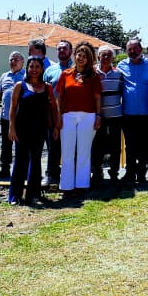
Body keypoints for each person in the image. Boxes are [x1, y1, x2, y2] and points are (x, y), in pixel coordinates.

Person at [6, 56, 60, 205]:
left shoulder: (47, 87)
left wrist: (56, 126)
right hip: (22, 129)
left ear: (42, 69)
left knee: (36, 162)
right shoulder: (20, 85)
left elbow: (53, 107)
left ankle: (34, 194)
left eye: (37, 67)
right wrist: (11, 127)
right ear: (27, 68)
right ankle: (15, 196)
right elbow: (13, 108)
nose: (34, 69)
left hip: (40, 129)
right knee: (20, 161)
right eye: (31, 66)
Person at [56, 42, 102, 196]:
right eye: (79, 55)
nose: (81, 58)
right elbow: (59, 98)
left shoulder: (94, 77)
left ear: (89, 59)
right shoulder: (65, 74)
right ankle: (67, 186)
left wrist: (98, 116)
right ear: (74, 56)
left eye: (85, 56)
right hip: (68, 116)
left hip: (88, 117)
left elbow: (97, 98)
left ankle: (82, 185)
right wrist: (58, 116)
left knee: (84, 152)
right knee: (67, 152)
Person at [118, 39, 148, 184]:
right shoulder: (121, 65)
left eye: (135, 49)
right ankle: (130, 173)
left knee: (145, 145)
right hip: (128, 113)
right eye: (129, 49)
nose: (132, 51)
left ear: (141, 49)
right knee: (130, 145)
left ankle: (141, 172)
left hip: (146, 113)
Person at [42, 40, 74, 187]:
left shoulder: (77, 69)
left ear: (70, 51)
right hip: (53, 113)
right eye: (59, 49)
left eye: (64, 49)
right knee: (53, 146)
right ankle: (51, 174)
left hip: (72, 113)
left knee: (72, 146)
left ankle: (71, 175)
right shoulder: (49, 71)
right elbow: (44, 93)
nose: (62, 51)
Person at [90, 46, 123, 185]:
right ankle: (97, 171)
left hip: (116, 115)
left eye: (109, 55)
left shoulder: (118, 74)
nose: (106, 58)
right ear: (98, 57)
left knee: (115, 145)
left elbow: (122, 91)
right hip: (99, 116)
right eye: (103, 55)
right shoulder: (92, 73)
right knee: (97, 145)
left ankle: (114, 172)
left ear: (113, 58)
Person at [0, 52, 26, 180]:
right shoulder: (4, 76)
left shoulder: (26, 76)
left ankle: (22, 170)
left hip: (21, 117)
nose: (13, 62)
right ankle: (5, 169)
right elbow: (0, 92)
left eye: (16, 59)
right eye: (11, 59)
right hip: (6, 117)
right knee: (5, 144)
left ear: (22, 62)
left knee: (22, 144)